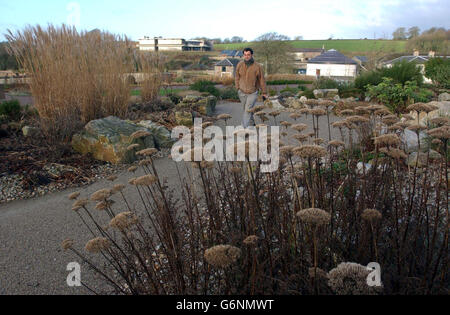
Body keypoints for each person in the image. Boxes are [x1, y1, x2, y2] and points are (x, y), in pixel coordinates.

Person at [235, 48, 268, 128]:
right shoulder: (240, 64)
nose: (246, 56)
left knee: (247, 110)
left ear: (251, 55)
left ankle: (244, 128)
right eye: (245, 55)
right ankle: (252, 123)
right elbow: (236, 76)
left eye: (248, 55)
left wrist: (264, 92)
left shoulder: (257, 66)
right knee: (246, 110)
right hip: (241, 92)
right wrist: (237, 87)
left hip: (252, 92)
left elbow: (261, 80)